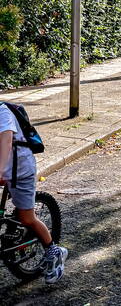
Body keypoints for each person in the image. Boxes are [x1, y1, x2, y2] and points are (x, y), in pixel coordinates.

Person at [0, 105, 67, 284]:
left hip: (20, 170)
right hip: (4, 169)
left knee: (27, 218)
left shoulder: (2, 112)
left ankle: (54, 251)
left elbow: (6, 141)